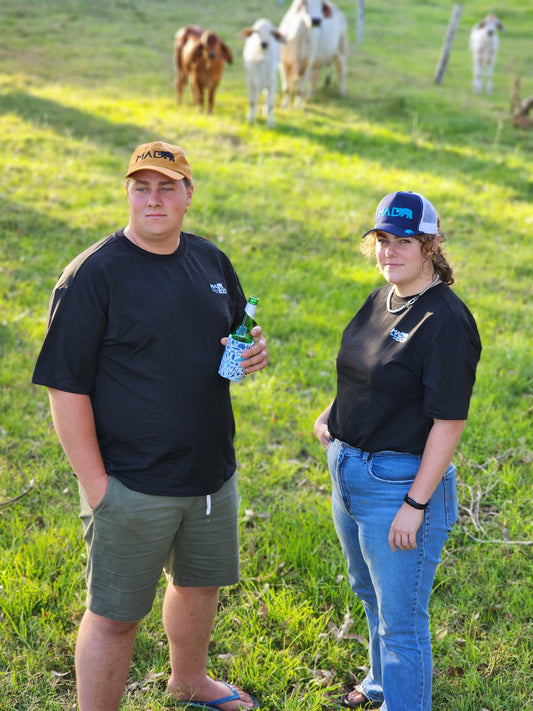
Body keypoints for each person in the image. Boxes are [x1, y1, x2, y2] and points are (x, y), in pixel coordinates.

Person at [32, 141, 268, 711]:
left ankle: (189, 682)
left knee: (199, 586)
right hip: (130, 481)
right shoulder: (92, 275)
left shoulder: (210, 261)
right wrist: (97, 487)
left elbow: (235, 334)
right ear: (129, 193)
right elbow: (66, 388)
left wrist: (253, 350)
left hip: (210, 472)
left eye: (167, 186)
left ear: (189, 194)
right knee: (115, 617)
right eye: (142, 187)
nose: (154, 198)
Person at [314, 191, 481, 711]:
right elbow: (367, 369)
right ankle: (381, 681)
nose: (389, 251)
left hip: (398, 484)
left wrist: (415, 504)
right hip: (349, 470)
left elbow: (448, 422)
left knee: (402, 621)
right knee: (369, 593)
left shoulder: (446, 322)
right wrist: (331, 414)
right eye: (382, 239)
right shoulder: (382, 298)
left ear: (431, 244)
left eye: (403, 240)